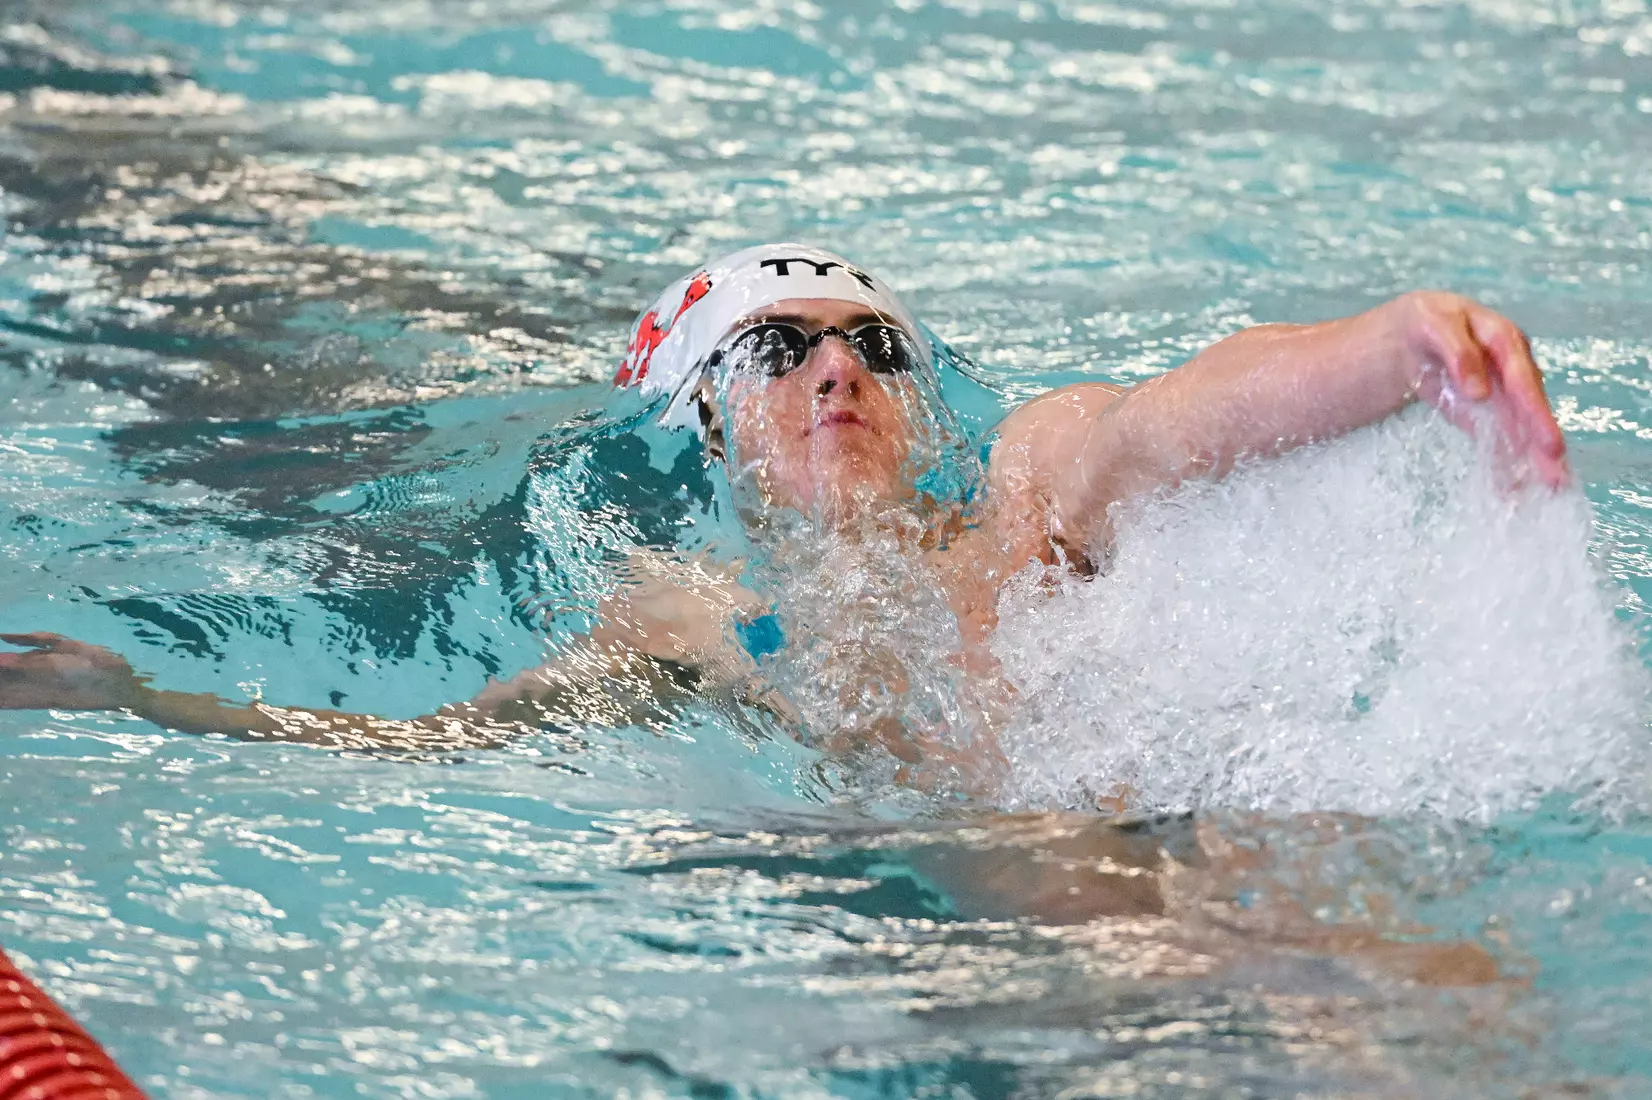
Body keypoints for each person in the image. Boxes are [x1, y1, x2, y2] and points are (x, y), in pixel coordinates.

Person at [0, 243, 1568, 777]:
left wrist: (1388, 352)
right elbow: (447, 748)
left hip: (1221, 851)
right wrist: (141, 700)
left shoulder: (1028, 491)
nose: (835, 371)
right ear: (704, 425)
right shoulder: (683, 614)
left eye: (872, 344)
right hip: (1020, 961)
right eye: (775, 349)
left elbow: (1173, 421)